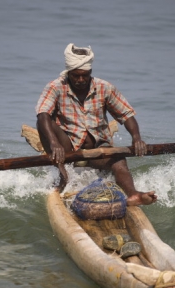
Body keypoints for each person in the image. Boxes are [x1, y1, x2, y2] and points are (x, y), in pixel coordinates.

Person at [36, 43, 157, 206]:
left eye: (85, 75)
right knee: (43, 121)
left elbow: (126, 114)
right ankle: (62, 177)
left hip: (98, 150)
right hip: (68, 149)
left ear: (90, 72)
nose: (80, 80)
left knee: (118, 159)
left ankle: (133, 194)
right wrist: (54, 143)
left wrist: (136, 138)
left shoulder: (104, 87)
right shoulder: (55, 87)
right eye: (76, 76)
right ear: (69, 73)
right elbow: (42, 114)